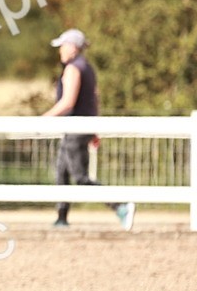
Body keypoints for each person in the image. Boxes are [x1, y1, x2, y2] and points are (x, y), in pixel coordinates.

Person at [42, 28, 135, 230]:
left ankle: (120, 207)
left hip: (75, 128)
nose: (60, 51)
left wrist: (43, 120)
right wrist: (95, 128)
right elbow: (95, 100)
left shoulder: (73, 69)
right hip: (82, 127)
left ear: (72, 47)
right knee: (61, 172)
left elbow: (67, 103)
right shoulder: (87, 68)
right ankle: (61, 217)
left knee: (79, 177)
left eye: (62, 47)